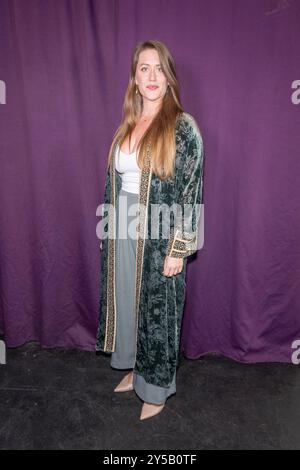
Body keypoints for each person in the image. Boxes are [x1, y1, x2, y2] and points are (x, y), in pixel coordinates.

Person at [96, 39, 204, 421]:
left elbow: (192, 190)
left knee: (159, 312)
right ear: (135, 79)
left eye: (159, 68)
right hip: (122, 225)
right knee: (128, 301)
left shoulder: (182, 127)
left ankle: (155, 390)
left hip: (159, 231)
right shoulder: (127, 124)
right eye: (144, 68)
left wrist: (179, 247)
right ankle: (133, 368)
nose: (152, 76)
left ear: (169, 77)